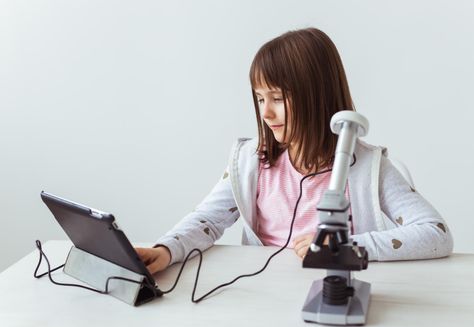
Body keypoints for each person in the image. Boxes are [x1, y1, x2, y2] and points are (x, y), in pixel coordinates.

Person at [135, 28, 453, 275]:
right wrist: (165, 251)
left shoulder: (367, 167)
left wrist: (344, 246)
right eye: (260, 99)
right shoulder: (251, 163)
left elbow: (436, 234)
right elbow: (207, 219)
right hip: (264, 299)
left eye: (277, 98)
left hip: (331, 292)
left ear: (319, 97)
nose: (266, 113)